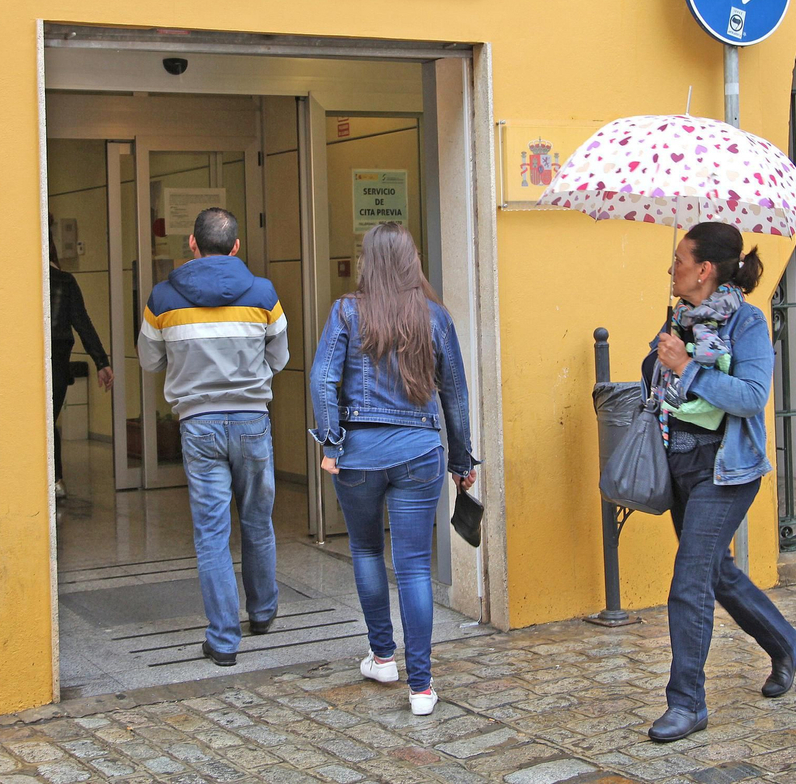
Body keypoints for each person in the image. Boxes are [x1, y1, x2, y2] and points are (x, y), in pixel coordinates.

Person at [643, 221, 796, 743]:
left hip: (726, 469)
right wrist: (661, 357)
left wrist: (688, 367)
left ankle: (687, 703)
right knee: (716, 571)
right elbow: (656, 377)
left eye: (679, 258)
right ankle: (786, 642)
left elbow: (750, 396)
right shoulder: (680, 316)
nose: (672, 267)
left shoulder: (748, 323)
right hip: (681, 464)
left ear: (704, 269)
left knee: (690, 580)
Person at [310, 223, 479, 717]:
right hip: (419, 453)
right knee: (412, 567)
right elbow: (457, 396)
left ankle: (383, 657)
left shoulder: (346, 311)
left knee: (364, 549)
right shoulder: (435, 316)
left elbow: (323, 379)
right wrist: (461, 460)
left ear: (368, 261)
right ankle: (421, 687)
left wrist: (333, 443)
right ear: (412, 260)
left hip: (359, 455)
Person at [138, 207, 289, 667]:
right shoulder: (263, 294)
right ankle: (262, 613)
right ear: (237, 246)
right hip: (250, 421)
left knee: (211, 532)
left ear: (192, 243)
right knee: (257, 521)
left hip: (197, 425)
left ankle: (223, 641)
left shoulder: (163, 298)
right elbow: (279, 358)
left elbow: (148, 361)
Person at [50, 225, 112, 499]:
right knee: (49, 421)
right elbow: (82, 323)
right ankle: (56, 480)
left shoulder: (21, 281)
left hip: (25, 364)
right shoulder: (64, 281)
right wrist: (101, 361)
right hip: (57, 363)